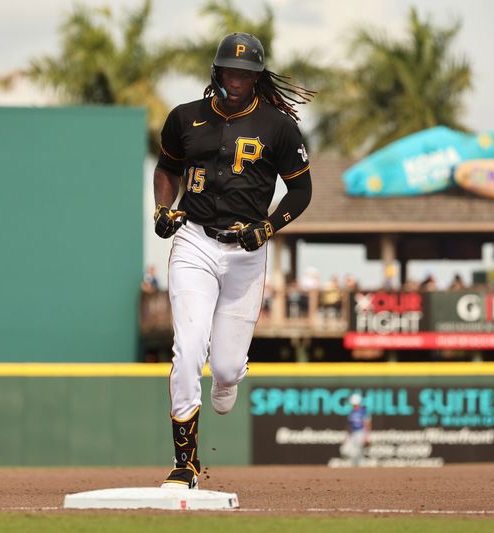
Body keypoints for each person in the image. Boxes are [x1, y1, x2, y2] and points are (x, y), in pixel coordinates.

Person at [152, 32, 314, 489]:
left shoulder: (278, 127)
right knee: (187, 349)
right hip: (195, 242)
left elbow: (301, 191)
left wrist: (269, 226)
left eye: (246, 72)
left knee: (223, 368)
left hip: (246, 252)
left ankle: (230, 375)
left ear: (258, 76)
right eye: (230, 70)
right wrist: (163, 210)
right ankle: (185, 463)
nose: (237, 78)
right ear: (217, 72)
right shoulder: (185, 117)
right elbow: (167, 169)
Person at [339, 393, 371, 466]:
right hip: (352, 434)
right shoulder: (351, 412)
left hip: (361, 433)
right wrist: (346, 437)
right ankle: (357, 466)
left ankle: (358, 468)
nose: (353, 406)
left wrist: (366, 436)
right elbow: (349, 426)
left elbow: (367, 424)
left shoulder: (363, 411)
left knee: (357, 452)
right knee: (345, 449)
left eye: (354, 404)